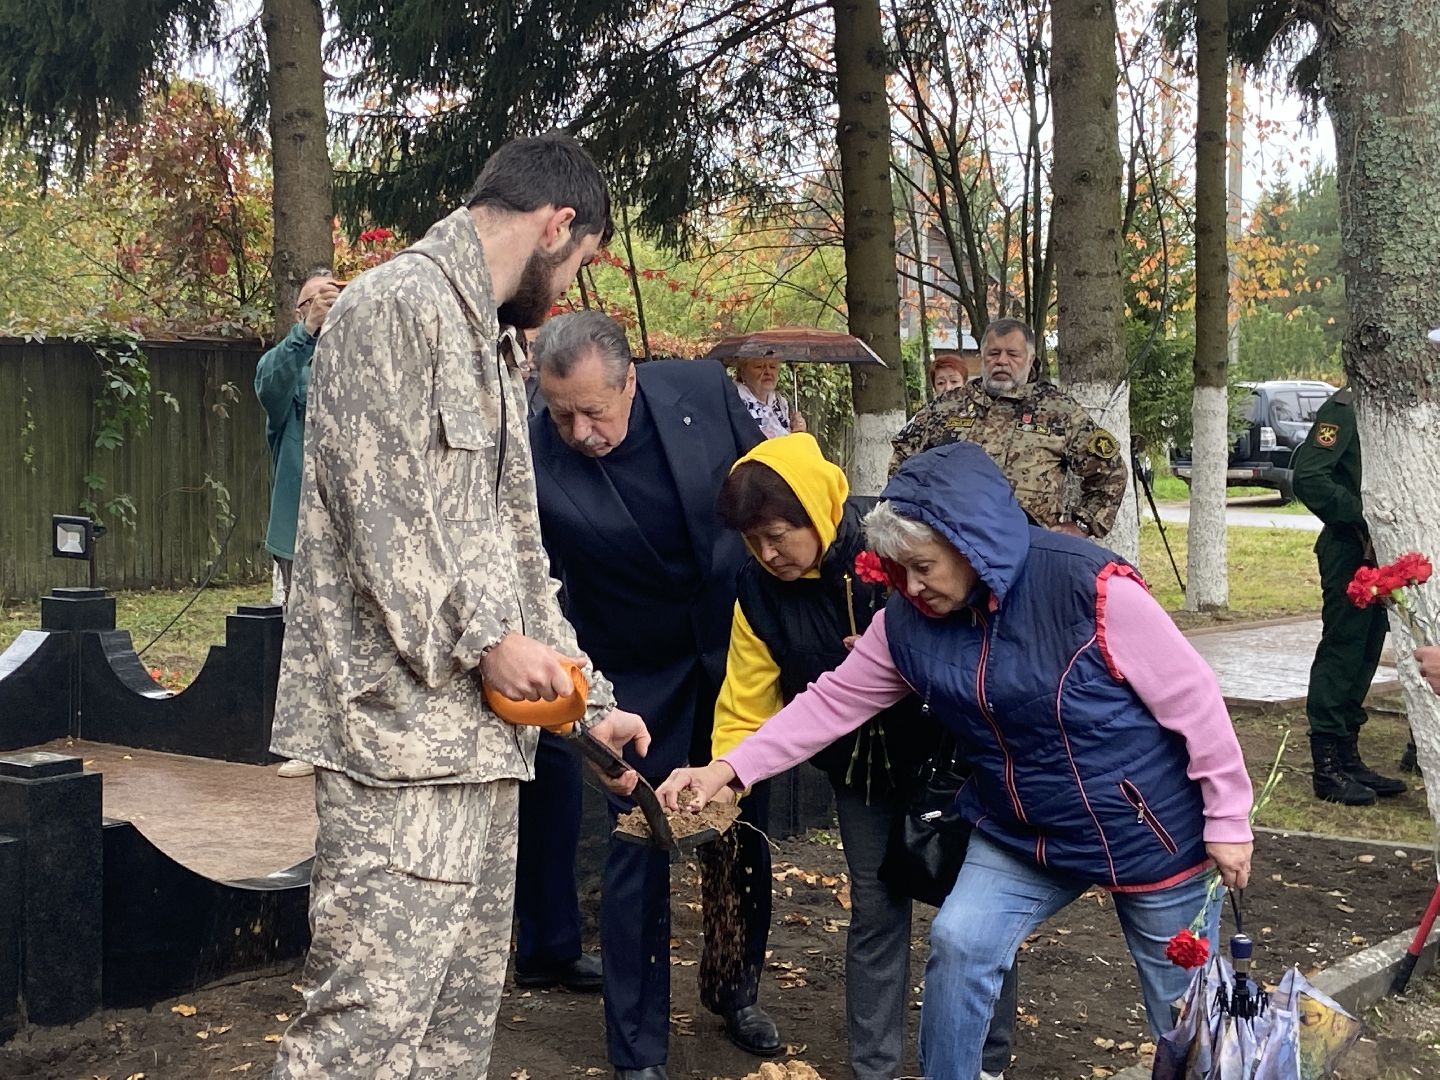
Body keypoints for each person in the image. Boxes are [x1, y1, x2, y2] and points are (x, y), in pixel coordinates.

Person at [658, 441, 1255, 1080]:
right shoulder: (906, 622)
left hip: (1144, 825)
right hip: (1021, 828)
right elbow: (826, 705)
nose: (910, 588)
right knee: (960, 942)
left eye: (923, 567)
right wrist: (726, 770)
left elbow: (1193, 700)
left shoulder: (1089, 589)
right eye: (898, 571)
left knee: (1183, 1011)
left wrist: (1227, 816)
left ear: (973, 543)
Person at [269, 134, 649, 1080]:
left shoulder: (497, 341)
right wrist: (484, 643)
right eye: (579, 268)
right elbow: (375, 515)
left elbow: (520, 556)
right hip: (393, 749)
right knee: (360, 1035)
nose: (565, 297)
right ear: (557, 225)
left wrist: (589, 707)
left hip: (484, 753)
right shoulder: (389, 306)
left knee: (450, 1036)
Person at [712, 432, 1015, 1080]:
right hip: (858, 771)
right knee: (876, 907)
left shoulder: (893, 537)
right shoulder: (757, 590)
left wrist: (904, 656)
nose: (768, 553)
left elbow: (972, 612)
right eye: (753, 540)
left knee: (972, 908)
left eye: (779, 534)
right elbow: (746, 697)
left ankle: (986, 1059)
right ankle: (873, 1067)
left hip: (948, 759)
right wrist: (723, 777)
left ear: (818, 509)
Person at [529, 310, 770, 1080]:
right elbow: (534, 582)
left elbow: (769, 493)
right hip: (627, 671)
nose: (579, 431)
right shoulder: (530, 447)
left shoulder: (701, 390)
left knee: (740, 827)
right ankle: (637, 1048)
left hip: (733, 651)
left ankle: (735, 990)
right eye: (562, 412)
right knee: (639, 841)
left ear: (632, 380)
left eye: (595, 411)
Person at [890, 318, 1128, 540]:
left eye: (1012, 354)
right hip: (950, 543)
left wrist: (1082, 525)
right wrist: (909, 518)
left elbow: (1110, 473)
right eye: (994, 353)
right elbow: (903, 460)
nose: (1002, 361)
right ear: (982, 356)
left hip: (1026, 543)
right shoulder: (947, 407)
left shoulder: (1060, 411)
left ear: (1030, 358)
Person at [1293, 386, 1410, 804]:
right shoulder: (1347, 406)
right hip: (1351, 548)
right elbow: (1309, 475)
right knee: (1343, 650)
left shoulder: (1397, 401)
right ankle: (1326, 766)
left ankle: (1348, 755)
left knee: (1366, 653)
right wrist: (1363, 514)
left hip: (1385, 551)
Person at [254, 268, 342, 780]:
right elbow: (269, 389)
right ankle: (308, 745)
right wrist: (305, 332)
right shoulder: (284, 364)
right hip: (298, 528)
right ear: (298, 310)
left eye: (334, 298)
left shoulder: (356, 356)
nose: (328, 307)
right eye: (317, 300)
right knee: (305, 635)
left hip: (353, 529)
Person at [732, 356, 806, 438]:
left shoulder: (780, 402)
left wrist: (797, 431)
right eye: (759, 366)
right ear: (743, 373)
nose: (768, 372)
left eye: (772, 367)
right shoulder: (735, 401)